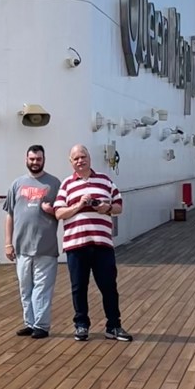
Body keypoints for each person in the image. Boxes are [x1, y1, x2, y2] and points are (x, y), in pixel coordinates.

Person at [53, 144, 133, 342]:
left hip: (102, 244)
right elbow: (58, 212)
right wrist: (79, 205)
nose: (80, 161)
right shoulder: (66, 184)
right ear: (71, 162)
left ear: (89, 158)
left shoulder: (105, 180)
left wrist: (105, 208)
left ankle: (113, 325)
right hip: (76, 244)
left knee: (108, 286)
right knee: (78, 287)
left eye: (83, 156)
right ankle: (81, 325)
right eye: (76, 158)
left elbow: (119, 206)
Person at [3, 145, 61, 339]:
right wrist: (7, 243)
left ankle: (41, 325)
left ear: (44, 159)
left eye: (38, 159)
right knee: (25, 288)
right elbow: (10, 215)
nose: (35, 162)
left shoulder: (54, 184)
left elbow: (63, 212)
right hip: (22, 247)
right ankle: (30, 322)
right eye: (32, 159)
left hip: (45, 247)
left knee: (42, 288)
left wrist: (51, 210)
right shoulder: (17, 184)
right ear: (26, 159)